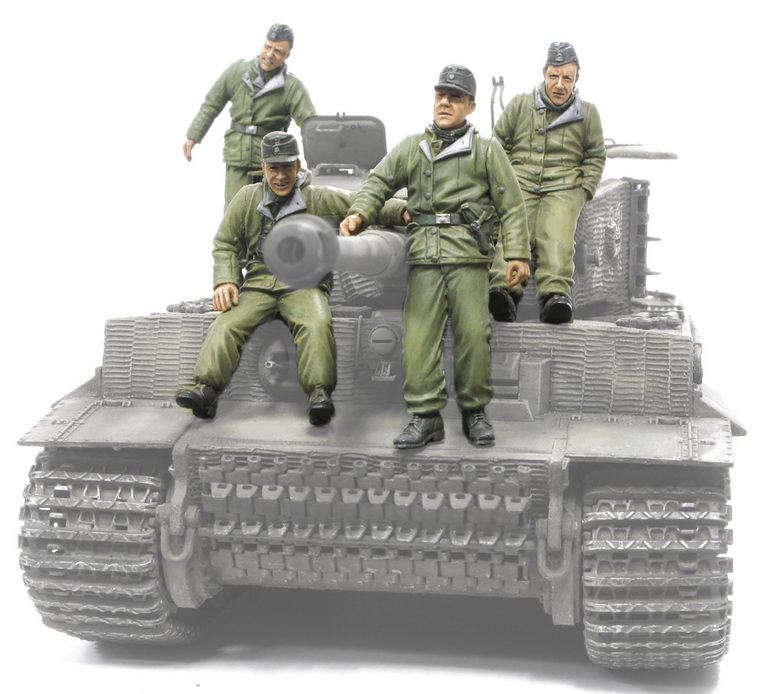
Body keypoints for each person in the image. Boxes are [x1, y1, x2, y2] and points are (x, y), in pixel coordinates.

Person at [341, 65, 530, 449]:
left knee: (473, 336)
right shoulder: (413, 147)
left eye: (455, 97)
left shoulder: (486, 151)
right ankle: (425, 416)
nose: (445, 103)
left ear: (470, 106)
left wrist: (517, 254)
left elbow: (511, 205)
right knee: (418, 339)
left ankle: (474, 412)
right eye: (440, 95)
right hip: (424, 256)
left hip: (467, 256)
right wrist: (360, 212)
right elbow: (378, 182)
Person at [175, 132, 407, 425]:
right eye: (273, 168)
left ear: (297, 166)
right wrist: (226, 280)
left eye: (287, 167)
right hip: (259, 283)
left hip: (304, 283)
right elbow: (225, 243)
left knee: (316, 323)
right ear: (263, 167)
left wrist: (402, 210)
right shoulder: (247, 198)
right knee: (227, 324)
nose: (281, 176)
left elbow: (360, 204)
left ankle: (319, 392)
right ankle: (205, 387)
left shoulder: (317, 197)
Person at [489, 41, 606, 324]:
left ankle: (555, 294)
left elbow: (595, 155)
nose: (560, 85)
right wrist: (502, 183)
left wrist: (584, 190)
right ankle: (504, 290)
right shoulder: (520, 105)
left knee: (557, 236)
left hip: (564, 188)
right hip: (519, 184)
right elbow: (498, 144)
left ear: (577, 78)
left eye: (567, 77)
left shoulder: (587, 113)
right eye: (554, 76)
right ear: (545, 73)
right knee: (513, 232)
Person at [183, 23, 316, 207]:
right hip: (237, 155)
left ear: (287, 55)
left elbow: (310, 126)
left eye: (278, 51)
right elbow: (212, 103)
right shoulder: (237, 71)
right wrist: (193, 136)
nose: (270, 55)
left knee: (270, 210)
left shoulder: (291, 86)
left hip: (272, 159)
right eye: (267, 47)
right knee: (234, 209)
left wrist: (317, 160)